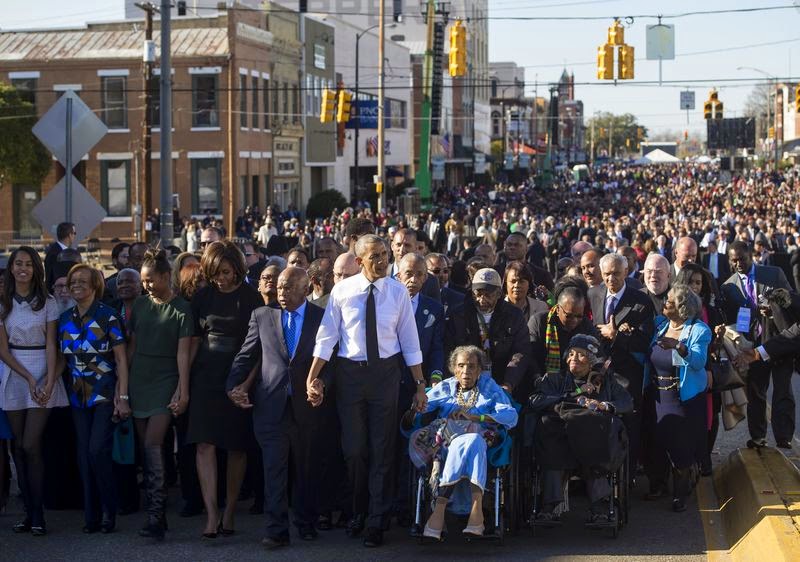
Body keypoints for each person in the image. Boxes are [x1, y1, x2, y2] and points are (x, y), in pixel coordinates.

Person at [306, 234, 427, 548]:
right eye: (375, 256)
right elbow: (326, 338)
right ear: (359, 261)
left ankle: (376, 519)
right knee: (355, 450)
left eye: (385, 254)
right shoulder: (343, 291)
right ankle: (358, 510)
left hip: (385, 374)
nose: (383, 260)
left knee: (382, 448)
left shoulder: (397, 292)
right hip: (350, 375)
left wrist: (419, 385)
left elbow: (409, 341)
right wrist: (312, 377)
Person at [227, 267, 338, 548]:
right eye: (279, 287)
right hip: (271, 406)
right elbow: (246, 354)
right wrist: (233, 385)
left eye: (288, 288)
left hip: (307, 407)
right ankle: (276, 529)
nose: (281, 293)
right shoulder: (262, 316)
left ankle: (305, 521)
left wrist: (322, 383)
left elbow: (332, 359)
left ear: (305, 289)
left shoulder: (322, 316)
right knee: (273, 469)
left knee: (306, 469)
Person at [185, 241, 262, 539]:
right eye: (216, 273)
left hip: (239, 376)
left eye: (227, 272)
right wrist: (183, 384)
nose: (221, 278)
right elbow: (193, 341)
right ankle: (211, 514)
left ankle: (229, 510)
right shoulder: (202, 297)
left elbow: (259, 349)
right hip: (205, 377)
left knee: (236, 447)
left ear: (238, 269)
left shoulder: (252, 298)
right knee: (204, 444)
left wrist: (246, 384)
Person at [408, 345, 517, 540]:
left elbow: (510, 416)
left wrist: (476, 418)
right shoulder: (446, 387)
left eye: (472, 366)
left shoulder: (489, 387)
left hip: (482, 438)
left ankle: (439, 511)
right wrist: (419, 405)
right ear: (454, 369)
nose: (466, 371)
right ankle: (477, 514)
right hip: (447, 441)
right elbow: (422, 406)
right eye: (461, 366)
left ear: (480, 369)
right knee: (471, 442)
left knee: (474, 439)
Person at [0, 247, 68, 535]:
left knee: (31, 445)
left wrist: (49, 380)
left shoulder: (48, 302)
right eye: (18, 263)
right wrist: (27, 377)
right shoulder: (3, 302)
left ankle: (39, 513)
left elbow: (52, 344)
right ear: (11, 268)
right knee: (17, 447)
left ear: (36, 269)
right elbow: (3, 350)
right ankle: (28, 513)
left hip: (43, 369)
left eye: (28, 264)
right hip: (14, 372)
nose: (23, 269)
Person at [57, 264, 130, 534]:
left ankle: (110, 511)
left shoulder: (109, 316)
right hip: (77, 397)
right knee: (84, 457)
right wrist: (47, 384)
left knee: (97, 450)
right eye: (73, 281)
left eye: (82, 280)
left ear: (95, 285)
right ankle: (91, 516)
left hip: (105, 394)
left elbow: (121, 360)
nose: (76, 284)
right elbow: (61, 361)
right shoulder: (64, 319)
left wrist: (123, 396)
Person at [529, 334, 632, 524]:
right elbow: (536, 400)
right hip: (560, 439)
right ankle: (549, 506)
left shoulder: (606, 381)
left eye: (581, 355)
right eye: (571, 354)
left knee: (594, 438)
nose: (573, 359)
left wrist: (604, 405)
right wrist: (567, 397)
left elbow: (626, 402)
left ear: (592, 361)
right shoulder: (554, 379)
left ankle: (599, 506)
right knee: (548, 432)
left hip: (592, 441)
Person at [127, 249, 193, 540]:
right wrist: (122, 388)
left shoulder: (182, 308)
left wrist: (182, 389)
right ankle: (157, 513)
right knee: (147, 447)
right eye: (144, 281)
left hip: (166, 379)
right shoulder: (140, 304)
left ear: (167, 276)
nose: (147, 285)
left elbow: (184, 354)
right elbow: (131, 346)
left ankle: (156, 515)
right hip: (139, 379)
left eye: (151, 280)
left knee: (153, 442)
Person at [642, 285, 711, 512]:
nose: (664, 304)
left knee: (680, 445)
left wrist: (679, 346)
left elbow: (698, 362)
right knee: (657, 441)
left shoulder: (699, 330)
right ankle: (658, 484)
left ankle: (681, 492)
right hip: (657, 395)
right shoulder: (660, 325)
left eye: (669, 301)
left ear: (682, 307)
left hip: (682, 397)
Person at [721, 241, 795, 449]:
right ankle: (758, 436)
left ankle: (784, 436)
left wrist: (774, 309)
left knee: (782, 389)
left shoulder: (774, 274)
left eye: (742, 259)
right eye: (734, 260)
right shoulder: (728, 286)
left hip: (778, 340)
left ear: (751, 256)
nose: (738, 264)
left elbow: (791, 302)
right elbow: (732, 319)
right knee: (756, 391)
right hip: (752, 346)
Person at [588, 253, 655, 479]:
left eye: (616, 273)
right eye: (606, 274)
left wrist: (616, 335)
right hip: (597, 373)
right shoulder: (593, 294)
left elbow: (645, 341)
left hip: (628, 374)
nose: (611, 279)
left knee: (629, 422)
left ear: (626, 272)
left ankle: (629, 474)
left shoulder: (641, 301)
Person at [444, 268, 530, 399]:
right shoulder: (458, 314)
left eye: (488, 295)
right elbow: (449, 350)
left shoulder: (514, 315)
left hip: (501, 378)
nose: (482, 299)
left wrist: (509, 383)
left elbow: (520, 351)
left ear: (499, 293)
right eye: (478, 294)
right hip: (464, 379)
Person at [529, 277, 598, 378]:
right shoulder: (539, 322)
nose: (574, 320)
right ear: (557, 309)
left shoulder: (585, 324)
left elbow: (598, 354)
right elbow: (530, 356)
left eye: (579, 316)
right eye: (569, 316)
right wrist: (539, 378)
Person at [44, 222, 76, 288]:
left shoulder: (57, 250)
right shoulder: (55, 253)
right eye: (74, 233)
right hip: (57, 291)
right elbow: (53, 278)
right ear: (70, 235)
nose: (74, 236)